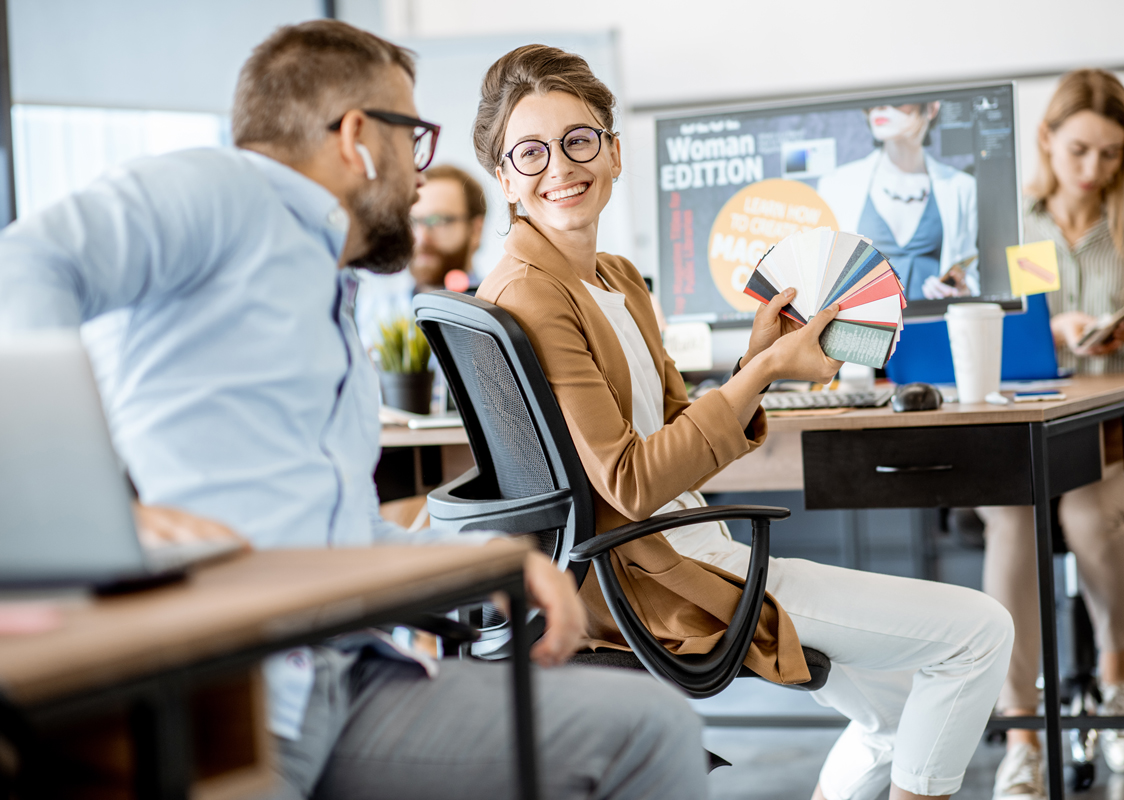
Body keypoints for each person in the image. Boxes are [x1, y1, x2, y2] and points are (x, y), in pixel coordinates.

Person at [0, 21, 708, 800]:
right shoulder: (219, 189)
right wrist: (92, 511)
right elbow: (25, 267)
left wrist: (495, 564)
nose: (419, 178)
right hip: (239, 691)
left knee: (650, 730)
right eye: (417, 140)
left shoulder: (324, 288)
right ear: (360, 138)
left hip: (347, 670)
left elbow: (342, 536)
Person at [474, 44, 1014, 800]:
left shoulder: (614, 277)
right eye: (528, 152)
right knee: (980, 631)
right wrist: (763, 375)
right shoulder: (531, 294)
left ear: (614, 151)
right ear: (503, 177)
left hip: (680, 541)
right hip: (659, 573)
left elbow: (667, 431)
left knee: (894, 716)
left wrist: (750, 363)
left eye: (579, 140)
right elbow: (631, 483)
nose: (559, 167)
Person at [978, 68, 1124, 800]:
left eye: (1109, 154)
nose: (1093, 169)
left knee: (1080, 505)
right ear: (1047, 140)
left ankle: (1119, 676)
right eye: (1079, 150)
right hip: (1030, 443)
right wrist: (1056, 332)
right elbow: (973, 336)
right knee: (1014, 509)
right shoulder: (1010, 226)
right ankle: (1022, 735)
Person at [817, 103, 978, 300]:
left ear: (931, 107)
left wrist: (963, 291)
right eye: (872, 99)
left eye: (898, 98)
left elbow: (970, 272)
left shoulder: (961, 187)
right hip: (868, 329)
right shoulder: (836, 186)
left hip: (936, 326)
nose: (880, 106)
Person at [355, 163, 487, 352]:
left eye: (439, 220)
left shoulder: (495, 311)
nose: (421, 237)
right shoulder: (378, 306)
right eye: (413, 221)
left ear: (475, 230)